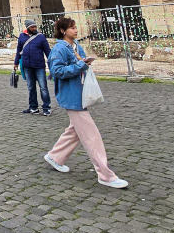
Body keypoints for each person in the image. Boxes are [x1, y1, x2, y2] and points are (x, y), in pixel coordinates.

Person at [44, 16, 128, 189]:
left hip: (79, 93)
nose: (76, 30)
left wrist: (84, 62)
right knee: (91, 136)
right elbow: (56, 71)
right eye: (72, 27)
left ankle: (55, 156)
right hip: (70, 96)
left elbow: (80, 63)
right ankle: (105, 175)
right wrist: (81, 65)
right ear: (62, 31)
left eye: (75, 27)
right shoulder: (59, 49)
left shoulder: (76, 46)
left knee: (74, 131)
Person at [15, 19, 53, 116]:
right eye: (32, 27)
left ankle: (46, 108)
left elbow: (47, 51)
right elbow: (19, 50)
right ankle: (33, 107)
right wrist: (16, 63)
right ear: (28, 28)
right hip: (27, 66)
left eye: (35, 26)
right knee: (31, 87)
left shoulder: (41, 37)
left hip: (39, 66)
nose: (34, 28)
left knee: (43, 87)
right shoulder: (22, 37)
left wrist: (52, 63)